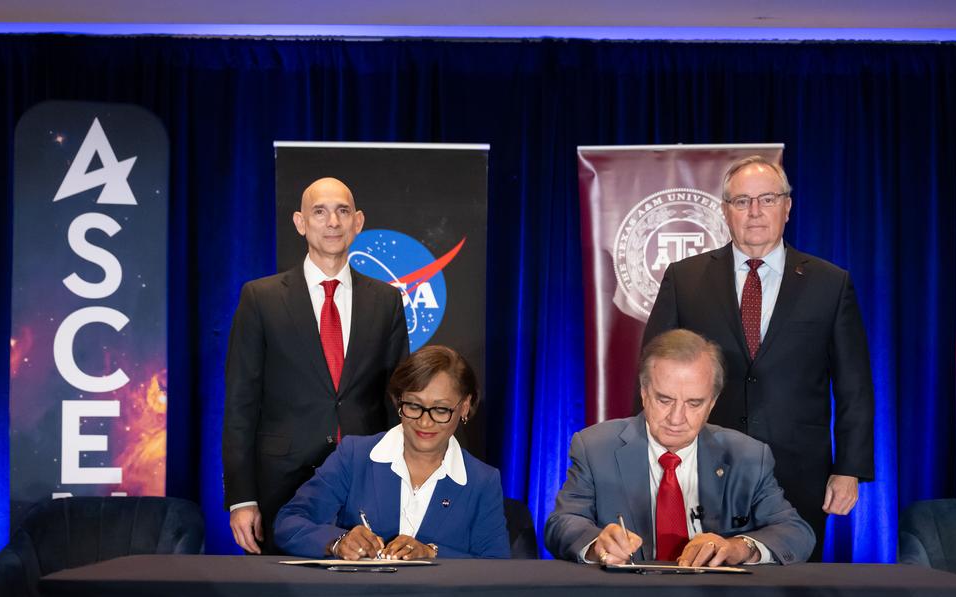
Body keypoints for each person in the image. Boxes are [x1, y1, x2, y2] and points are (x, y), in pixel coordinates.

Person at [642, 155, 874, 560]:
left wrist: (849, 468)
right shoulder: (684, 279)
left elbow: (853, 384)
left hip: (797, 471)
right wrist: (651, 458)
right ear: (725, 210)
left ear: (787, 206)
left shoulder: (830, 283)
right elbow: (653, 373)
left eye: (767, 199)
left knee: (791, 585)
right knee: (700, 576)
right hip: (701, 464)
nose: (754, 211)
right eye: (742, 201)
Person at [223, 177, 410, 554]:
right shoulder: (261, 298)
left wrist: (404, 485)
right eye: (320, 212)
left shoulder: (386, 300)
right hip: (280, 483)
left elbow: (397, 401)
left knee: (365, 586)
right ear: (300, 222)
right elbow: (240, 403)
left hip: (364, 481)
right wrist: (242, 498)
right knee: (281, 589)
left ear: (358, 222)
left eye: (343, 211)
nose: (333, 222)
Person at [545, 330, 813, 566]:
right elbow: (563, 522)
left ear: (712, 403)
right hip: (627, 596)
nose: (676, 418)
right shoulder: (595, 447)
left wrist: (739, 548)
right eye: (664, 400)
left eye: (694, 404)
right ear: (644, 392)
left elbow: (796, 532)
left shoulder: (748, 456)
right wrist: (597, 544)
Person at [275, 345, 509, 560]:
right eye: (414, 406)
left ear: (464, 407)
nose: (425, 422)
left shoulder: (482, 481)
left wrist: (432, 553)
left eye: (440, 410)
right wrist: (337, 543)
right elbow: (288, 523)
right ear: (399, 401)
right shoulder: (354, 456)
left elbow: (495, 567)